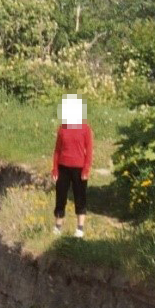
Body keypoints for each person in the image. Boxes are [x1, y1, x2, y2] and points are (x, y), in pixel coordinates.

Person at [52, 94, 93, 238]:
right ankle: (58, 226)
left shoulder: (85, 128)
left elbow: (89, 150)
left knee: (79, 197)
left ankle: (80, 228)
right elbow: (57, 150)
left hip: (79, 168)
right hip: (63, 167)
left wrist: (86, 169)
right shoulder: (62, 128)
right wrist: (55, 169)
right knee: (60, 196)